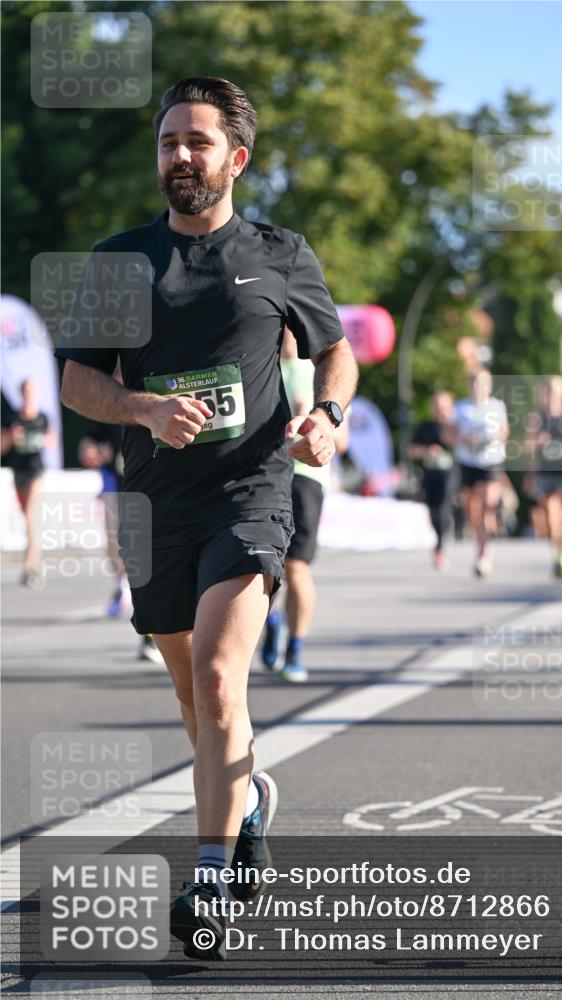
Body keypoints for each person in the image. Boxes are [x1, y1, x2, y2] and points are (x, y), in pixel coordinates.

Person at [55, 76, 358, 961]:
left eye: (196, 141)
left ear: (237, 157)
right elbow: (79, 381)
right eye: (167, 143)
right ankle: (251, 798)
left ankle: (212, 874)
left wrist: (328, 420)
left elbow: (335, 355)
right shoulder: (121, 261)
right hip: (155, 506)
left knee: (224, 680)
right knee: (194, 697)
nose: (179, 156)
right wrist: (144, 409)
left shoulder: (280, 253)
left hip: (252, 494)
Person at [261, 329, 349, 682]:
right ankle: (271, 621)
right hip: (263, 473)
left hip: (306, 477)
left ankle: (295, 647)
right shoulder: (260, 367)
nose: (287, 337)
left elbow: (342, 440)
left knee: (296, 568)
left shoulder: (324, 373)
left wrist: (318, 424)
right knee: (262, 566)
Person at [78, 417, 162, 663]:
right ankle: (145, 625)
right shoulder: (113, 402)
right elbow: (88, 442)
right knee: (128, 551)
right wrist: (91, 450)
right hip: (119, 485)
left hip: (157, 487)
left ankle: (155, 630)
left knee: (152, 558)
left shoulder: (161, 392)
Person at [1, 378, 55, 587]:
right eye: (25, 391)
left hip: (36, 471)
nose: (28, 395)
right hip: (18, 471)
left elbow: (51, 442)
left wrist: (43, 438)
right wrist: (10, 437)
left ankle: (30, 567)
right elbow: (2, 448)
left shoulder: (42, 418)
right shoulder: (12, 418)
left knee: (31, 517)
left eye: (31, 391)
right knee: (28, 521)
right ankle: (37, 561)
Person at [453, 370, 508, 577]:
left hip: (491, 462)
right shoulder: (461, 407)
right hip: (468, 462)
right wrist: (465, 439)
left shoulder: (496, 407)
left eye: (483, 383)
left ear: (489, 386)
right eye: (475, 383)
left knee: (487, 508)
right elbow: (451, 434)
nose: (479, 387)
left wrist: (490, 439)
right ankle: (484, 544)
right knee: (473, 512)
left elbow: (504, 432)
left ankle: (483, 555)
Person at [527, 376, 562, 580]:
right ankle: (557, 555)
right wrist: (538, 441)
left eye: (553, 392)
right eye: (546, 392)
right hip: (545, 471)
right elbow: (527, 446)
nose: (549, 396)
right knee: (551, 518)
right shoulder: (537, 417)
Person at [409, 391, 457, 570]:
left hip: (448, 473)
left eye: (443, 407)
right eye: (437, 407)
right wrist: (426, 451)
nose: (440, 411)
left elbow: (459, 444)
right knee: (432, 510)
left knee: (443, 507)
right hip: (429, 472)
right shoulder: (425, 426)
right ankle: (437, 543)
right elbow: (411, 449)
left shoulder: (453, 426)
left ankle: (440, 548)